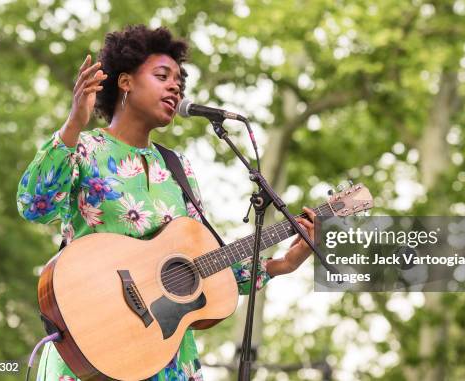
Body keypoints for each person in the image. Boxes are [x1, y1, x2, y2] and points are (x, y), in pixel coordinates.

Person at [16, 25, 316, 381]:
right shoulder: (84, 150)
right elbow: (35, 206)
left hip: (165, 357)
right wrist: (71, 126)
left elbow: (206, 268)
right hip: (94, 348)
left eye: (179, 81)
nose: (175, 86)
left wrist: (282, 263)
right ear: (124, 82)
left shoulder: (178, 169)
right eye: (162, 76)